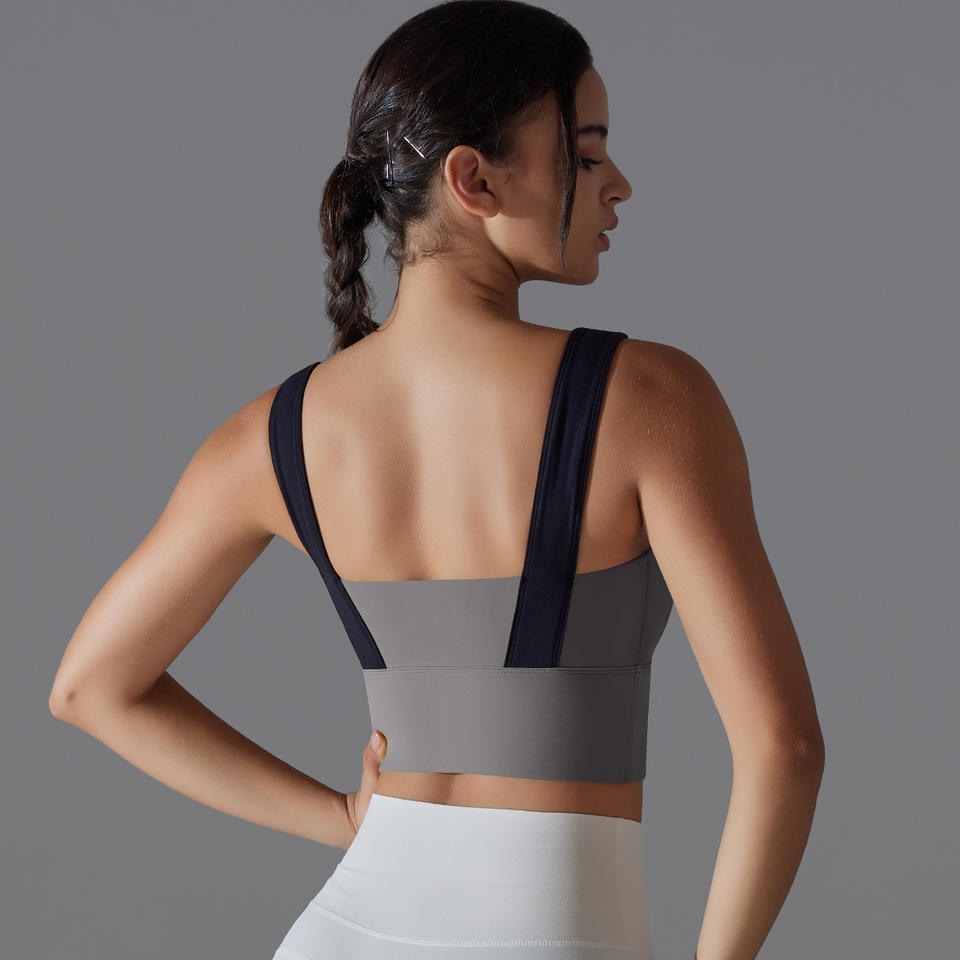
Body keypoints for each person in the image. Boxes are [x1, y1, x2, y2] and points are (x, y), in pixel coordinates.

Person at [48, 2, 825, 957]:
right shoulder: (649, 398)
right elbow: (784, 749)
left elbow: (90, 688)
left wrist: (344, 818)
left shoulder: (275, 434)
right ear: (474, 179)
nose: (618, 183)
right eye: (586, 154)